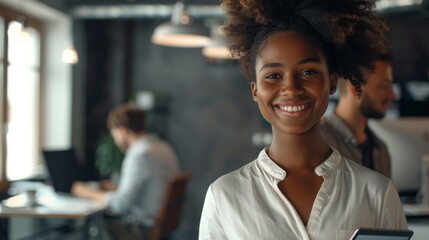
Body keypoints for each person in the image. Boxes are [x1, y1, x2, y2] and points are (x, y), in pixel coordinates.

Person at [199, 1, 408, 239]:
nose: (291, 87)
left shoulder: (376, 193)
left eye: (309, 72)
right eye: (273, 75)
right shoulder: (224, 196)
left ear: (331, 82)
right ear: (255, 90)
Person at [72, 103, 180, 239]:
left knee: (92, 228)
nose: (115, 139)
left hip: (142, 230)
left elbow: (120, 205)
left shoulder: (138, 155)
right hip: (162, 229)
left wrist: (87, 192)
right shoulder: (163, 147)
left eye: (114, 133)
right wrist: (117, 188)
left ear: (122, 130)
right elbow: (148, 189)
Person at [321, 56, 396, 177]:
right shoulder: (319, 142)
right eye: (384, 86)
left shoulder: (381, 149)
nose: (392, 95)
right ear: (356, 87)